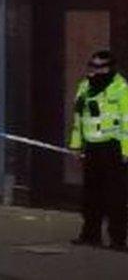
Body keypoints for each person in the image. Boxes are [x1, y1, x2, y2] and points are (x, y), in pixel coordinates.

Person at [69, 50, 128, 250]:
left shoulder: (120, 88)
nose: (94, 71)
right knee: (90, 195)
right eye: (92, 66)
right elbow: (79, 120)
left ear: (109, 68)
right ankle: (90, 234)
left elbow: (127, 122)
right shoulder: (84, 88)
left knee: (115, 196)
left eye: (99, 67)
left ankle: (118, 239)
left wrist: (126, 150)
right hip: (92, 148)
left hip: (113, 148)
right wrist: (76, 145)